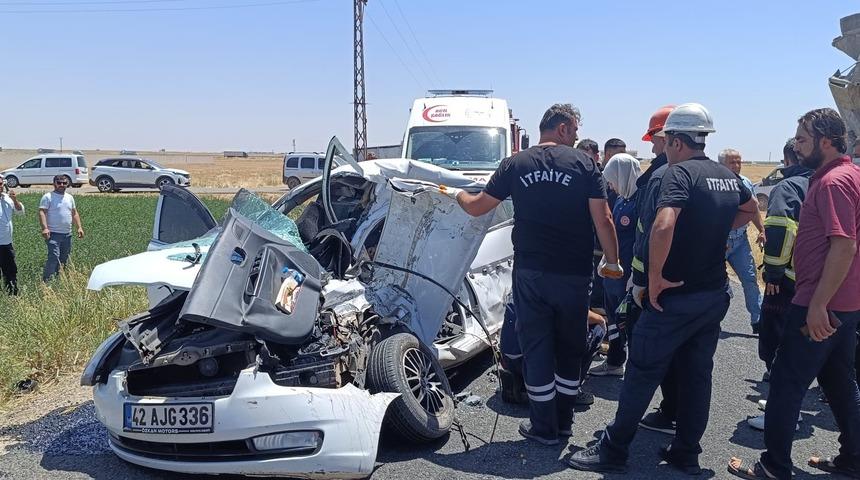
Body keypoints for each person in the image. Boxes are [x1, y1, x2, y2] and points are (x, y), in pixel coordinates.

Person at [570, 103, 757, 474]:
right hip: (712, 294)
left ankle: (613, 450)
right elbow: (750, 209)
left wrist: (654, 278)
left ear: (674, 140)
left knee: (641, 372)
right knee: (697, 374)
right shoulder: (726, 174)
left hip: (673, 297)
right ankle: (686, 453)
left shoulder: (678, 174)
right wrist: (714, 231)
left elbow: (662, 225)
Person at [442, 103, 622, 445]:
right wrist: (612, 263)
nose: (577, 137)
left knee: (537, 345)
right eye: (576, 130)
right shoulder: (584, 163)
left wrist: (457, 194)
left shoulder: (515, 163)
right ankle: (564, 422)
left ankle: (544, 429)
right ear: (564, 127)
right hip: (574, 274)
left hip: (531, 273)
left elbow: (478, 206)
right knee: (570, 345)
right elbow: (605, 219)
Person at [728, 108, 860, 480]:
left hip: (821, 304)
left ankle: (773, 466)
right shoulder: (851, 175)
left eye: (803, 139)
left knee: (786, 383)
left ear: (826, 141)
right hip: (846, 303)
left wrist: (817, 304)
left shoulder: (833, 182)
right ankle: (853, 458)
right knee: (839, 381)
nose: (797, 146)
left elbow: (844, 245)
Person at [745, 138, 813, 432]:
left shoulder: (788, 187)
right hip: (821, 282)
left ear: (787, 160)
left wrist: (772, 273)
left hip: (787, 282)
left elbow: (782, 229)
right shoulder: (825, 182)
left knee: (777, 345)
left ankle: (785, 413)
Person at [624, 104, 683, 434]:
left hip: (655, 283)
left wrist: (642, 282)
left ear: (666, 138)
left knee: (646, 354)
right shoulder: (706, 174)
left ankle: (621, 435)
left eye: (654, 140)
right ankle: (678, 414)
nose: (651, 147)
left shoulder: (659, 177)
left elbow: (649, 231)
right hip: (690, 281)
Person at [589, 153, 641, 376]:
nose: (611, 185)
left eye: (613, 180)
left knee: (629, 321)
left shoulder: (641, 202)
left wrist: (636, 276)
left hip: (629, 273)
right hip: (613, 273)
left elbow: (643, 239)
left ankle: (635, 367)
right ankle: (615, 361)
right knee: (613, 318)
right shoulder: (622, 200)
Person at [719, 149, 766, 333]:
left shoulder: (746, 183)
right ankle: (711, 319)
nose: (737, 166)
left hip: (740, 241)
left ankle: (758, 320)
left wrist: (761, 230)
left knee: (750, 279)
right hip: (719, 242)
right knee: (716, 283)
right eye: (732, 163)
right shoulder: (715, 184)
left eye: (739, 162)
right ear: (722, 164)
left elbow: (753, 210)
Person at [39, 174, 84, 281]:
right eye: (59, 183)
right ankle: (47, 282)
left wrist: (79, 227)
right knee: (54, 257)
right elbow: (42, 212)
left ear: (67, 184)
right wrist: (45, 228)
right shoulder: (48, 197)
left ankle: (59, 280)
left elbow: (74, 213)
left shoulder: (70, 197)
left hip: (67, 234)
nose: (62, 185)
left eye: (64, 183)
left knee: (64, 258)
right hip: (53, 234)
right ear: (54, 184)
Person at [0, 174, 24, 295]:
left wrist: (15, 200)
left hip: (7, 243)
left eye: (0, 184)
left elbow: (20, 212)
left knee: (10, 271)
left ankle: (12, 294)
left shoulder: (8, 198)